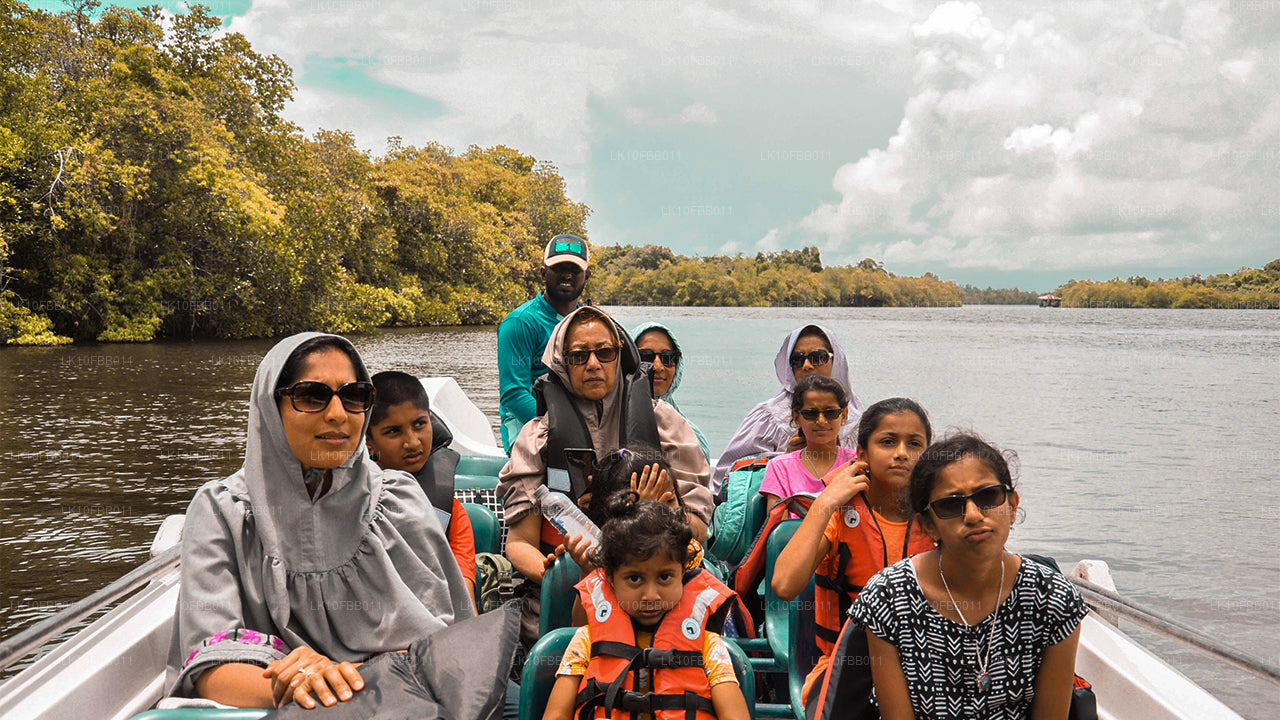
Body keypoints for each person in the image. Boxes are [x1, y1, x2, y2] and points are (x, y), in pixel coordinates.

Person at [166, 333, 475, 710]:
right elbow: (211, 667)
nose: (337, 414)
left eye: (354, 396)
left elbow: (446, 646)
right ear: (271, 405)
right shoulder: (222, 511)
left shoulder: (399, 498)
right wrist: (300, 681)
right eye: (312, 396)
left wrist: (346, 677)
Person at [499, 306, 714, 645]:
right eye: (578, 356)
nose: (593, 364)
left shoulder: (667, 424)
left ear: (620, 355)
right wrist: (558, 571)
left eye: (604, 352)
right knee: (548, 647)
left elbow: (698, 530)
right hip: (567, 583)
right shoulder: (536, 436)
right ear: (560, 363)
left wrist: (658, 513)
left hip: (656, 582)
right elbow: (519, 542)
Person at [850, 433, 1087, 719]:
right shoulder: (888, 597)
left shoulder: (1053, 598)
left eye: (988, 496)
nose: (973, 515)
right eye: (951, 505)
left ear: (1012, 506)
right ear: (929, 525)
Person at [771, 397, 937, 709]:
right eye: (888, 442)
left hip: (927, 669)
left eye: (914, 444)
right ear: (862, 453)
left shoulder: (940, 519)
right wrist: (825, 502)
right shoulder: (838, 515)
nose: (902, 453)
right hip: (845, 668)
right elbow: (783, 585)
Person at [542, 494, 751, 720]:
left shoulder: (708, 645)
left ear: (682, 572)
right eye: (634, 579)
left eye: (664, 577)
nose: (650, 595)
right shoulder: (586, 641)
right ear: (610, 578)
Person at [711, 324, 864, 494]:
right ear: (796, 416)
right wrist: (785, 457)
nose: (806, 365)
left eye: (817, 357)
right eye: (797, 359)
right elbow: (726, 476)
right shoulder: (768, 417)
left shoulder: (860, 421)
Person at [366, 370, 477, 603]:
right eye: (393, 431)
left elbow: (463, 600)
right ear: (369, 441)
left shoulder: (452, 514)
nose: (413, 442)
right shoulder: (355, 500)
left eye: (419, 424)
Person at [498, 234, 591, 453]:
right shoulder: (520, 323)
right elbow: (514, 394)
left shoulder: (591, 322)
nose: (566, 275)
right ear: (543, 274)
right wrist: (565, 429)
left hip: (579, 425)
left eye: (574, 269)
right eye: (558, 268)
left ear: (587, 277)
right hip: (530, 430)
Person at [758, 374, 857, 514]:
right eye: (811, 413)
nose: (821, 421)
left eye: (830, 413)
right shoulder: (780, 467)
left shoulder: (857, 463)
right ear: (796, 417)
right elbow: (777, 525)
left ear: (844, 415)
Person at [631, 322, 711, 462]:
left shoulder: (690, 434)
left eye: (668, 357)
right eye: (645, 357)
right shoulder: (613, 423)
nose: (658, 366)